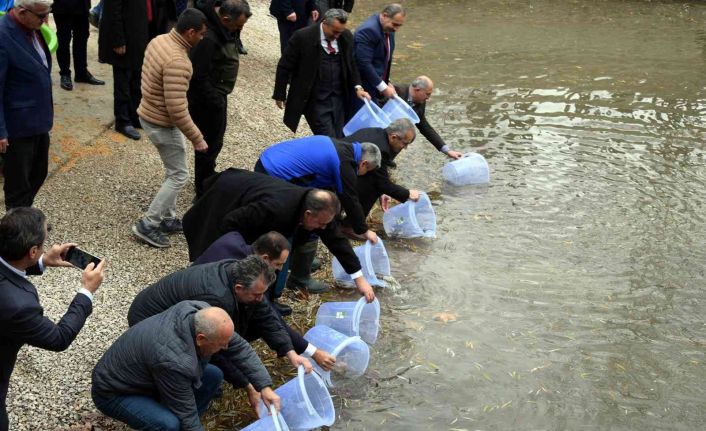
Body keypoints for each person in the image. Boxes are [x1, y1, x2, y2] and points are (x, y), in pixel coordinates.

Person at [127, 256, 319, 413]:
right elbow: (217, 349)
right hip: (148, 318)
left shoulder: (241, 273)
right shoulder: (216, 299)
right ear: (238, 289)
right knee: (191, 361)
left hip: (175, 310)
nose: (260, 299)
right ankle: (166, 399)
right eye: (256, 295)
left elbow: (266, 315)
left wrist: (291, 352)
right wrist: (248, 386)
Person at [183, 168, 376, 301]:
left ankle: (268, 299)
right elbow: (231, 222)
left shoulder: (321, 211)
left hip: (253, 204)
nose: (323, 228)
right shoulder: (275, 210)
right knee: (215, 250)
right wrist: (241, 254)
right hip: (226, 196)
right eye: (321, 224)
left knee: (272, 260)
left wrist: (359, 279)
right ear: (308, 214)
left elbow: (337, 240)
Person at [92, 301, 279, 430]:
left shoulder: (199, 312)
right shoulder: (173, 360)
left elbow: (239, 348)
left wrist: (264, 387)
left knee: (213, 375)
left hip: (148, 375)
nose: (226, 348)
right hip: (115, 392)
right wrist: (190, 424)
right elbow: (186, 412)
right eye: (221, 345)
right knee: (168, 424)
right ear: (201, 339)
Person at [0, 207, 106, 430]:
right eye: (44, 243)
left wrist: (42, 261)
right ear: (32, 251)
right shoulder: (19, 307)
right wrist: (87, 291)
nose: (47, 246)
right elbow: (59, 338)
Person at [193, 231, 338, 370]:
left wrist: (294, 351)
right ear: (265, 258)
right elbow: (269, 316)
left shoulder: (239, 249)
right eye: (278, 264)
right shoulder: (231, 288)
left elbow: (267, 315)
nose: (281, 269)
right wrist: (246, 381)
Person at [131, 9, 209, 249]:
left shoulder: (159, 40)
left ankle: (168, 218)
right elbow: (177, 110)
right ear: (190, 32)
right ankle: (148, 224)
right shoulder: (178, 62)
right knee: (179, 175)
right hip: (162, 123)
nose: (202, 38)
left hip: (148, 113)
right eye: (201, 34)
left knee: (174, 170)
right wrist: (197, 138)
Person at [255, 135, 381, 246]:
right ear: (363, 164)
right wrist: (363, 230)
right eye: (367, 171)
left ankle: (298, 249)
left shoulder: (340, 146)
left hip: (268, 158)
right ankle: (273, 250)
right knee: (287, 222)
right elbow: (350, 199)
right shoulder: (345, 164)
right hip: (273, 174)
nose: (363, 174)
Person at [273, 8, 369, 138]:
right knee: (329, 138)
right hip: (315, 100)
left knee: (340, 136)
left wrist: (358, 87)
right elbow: (284, 66)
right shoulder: (302, 37)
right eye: (334, 31)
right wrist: (280, 93)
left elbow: (351, 64)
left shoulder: (345, 36)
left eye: (340, 32)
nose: (337, 36)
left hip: (339, 99)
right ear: (324, 23)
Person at [189, 0, 251, 198]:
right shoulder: (209, 38)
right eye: (238, 26)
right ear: (225, 19)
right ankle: (202, 188)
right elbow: (198, 76)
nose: (239, 30)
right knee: (207, 144)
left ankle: (207, 176)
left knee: (215, 141)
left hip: (216, 96)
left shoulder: (224, 30)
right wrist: (215, 100)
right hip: (207, 101)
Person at [0, 0, 54, 209]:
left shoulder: (33, 28)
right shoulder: (3, 37)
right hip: (17, 126)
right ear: (22, 12)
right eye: (41, 16)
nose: (45, 20)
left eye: (48, 13)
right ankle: (16, 223)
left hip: (38, 119)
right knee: (18, 185)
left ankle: (24, 216)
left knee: (38, 173)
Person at [342, 118, 420, 222]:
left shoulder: (375, 131)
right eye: (405, 144)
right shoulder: (381, 150)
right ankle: (352, 224)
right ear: (393, 137)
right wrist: (407, 194)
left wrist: (383, 192)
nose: (405, 148)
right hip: (341, 175)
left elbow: (380, 174)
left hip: (345, 166)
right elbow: (382, 183)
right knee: (373, 187)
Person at [98, 0, 149, 140]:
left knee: (136, 79)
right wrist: (118, 39)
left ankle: (134, 116)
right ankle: (123, 121)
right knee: (123, 80)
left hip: (139, 32)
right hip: (125, 36)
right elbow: (112, 10)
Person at [395, 76, 463, 160]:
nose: (428, 98)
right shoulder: (395, 91)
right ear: (417, 90)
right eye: (427, 94)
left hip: (398, 142)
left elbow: (424, 127)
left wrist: (447, 151)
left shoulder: (421, 101)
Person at [353, 3, 405, 105]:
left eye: (399, 25)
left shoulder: (388, 29)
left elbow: (384, 58)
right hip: (363, 87)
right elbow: (364, 64)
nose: (396, 29)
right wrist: (383, 87)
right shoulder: (368, 30)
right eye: (395, 24)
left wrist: (387, 81)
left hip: (376, 84)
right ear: (384, 16)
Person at [52, 0, 104, 91]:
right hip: (62, 6)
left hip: (82, 5)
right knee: (64, 39)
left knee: (82, 37)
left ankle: (81, 73)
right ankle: (65, 73)